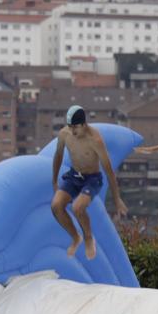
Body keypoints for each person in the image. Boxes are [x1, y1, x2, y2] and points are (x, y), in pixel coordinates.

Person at [48, 106, 127, 260]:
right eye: (70, 127)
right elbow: (58, 156)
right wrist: (54, 180)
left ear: (84, 124)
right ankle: (76, 237)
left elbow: (109, 171)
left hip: (92, 179)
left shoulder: (95, 140)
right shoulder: (65, 134)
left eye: (75, 127)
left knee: (78, 207)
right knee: (56, 206)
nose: (72, 131)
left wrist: (117, 199)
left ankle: (89, 238)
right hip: (73, 176)